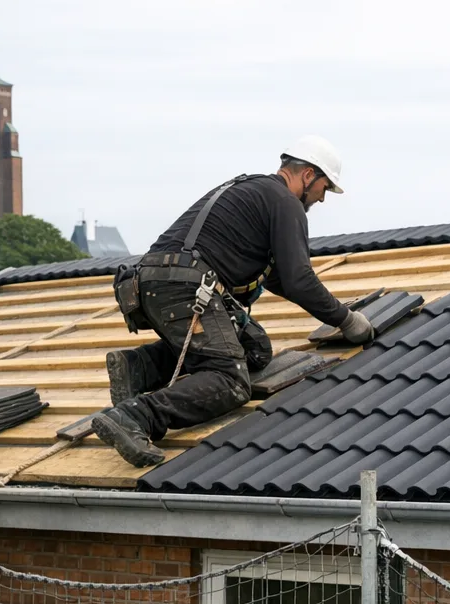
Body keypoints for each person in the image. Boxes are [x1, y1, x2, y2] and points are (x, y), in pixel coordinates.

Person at [94, 136, 376, 466]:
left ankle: (138, 369)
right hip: (187, 288)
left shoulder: (255, 190)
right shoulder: (286, 203)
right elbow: (300, 280)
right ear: (308, 175)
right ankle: (137, 416)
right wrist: (347, 320)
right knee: (230, 379)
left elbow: (280, 278)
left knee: (255, 348)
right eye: (324, 188)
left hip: (151, 282)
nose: (322, 199)